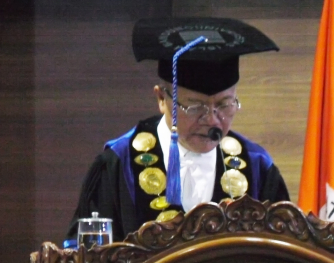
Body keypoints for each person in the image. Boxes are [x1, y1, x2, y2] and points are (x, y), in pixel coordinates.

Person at [64, 18, 289, 247]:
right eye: (195, 106)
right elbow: (85, 257)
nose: (212, 119)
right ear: (162, 99)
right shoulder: (120, 163)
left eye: (224, 105)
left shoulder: (257, 165)